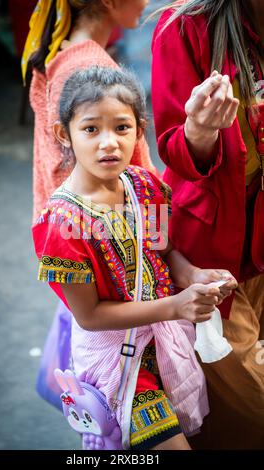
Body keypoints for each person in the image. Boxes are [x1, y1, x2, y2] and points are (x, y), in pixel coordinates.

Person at [32, 65, 237, 450]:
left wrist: (194, 275)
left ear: (139, 131)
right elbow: (90, 316)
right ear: (65, 134)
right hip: (116, 360)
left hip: (165, 345)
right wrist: (175, 306)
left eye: (122, 128)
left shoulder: (144, 185)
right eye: (91, 129)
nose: (108, 142)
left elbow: (165, 252)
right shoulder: (62, 224)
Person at [22, 0, 159, 408]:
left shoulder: (69, 54)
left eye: (123, 127)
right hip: (107, 269)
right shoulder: (89, 70)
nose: (147, 1)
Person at [151, 0, 264, 449]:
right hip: (210, 257)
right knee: (250, 408)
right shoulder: (184, 26)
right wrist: (199, 130)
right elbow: (173, 148)